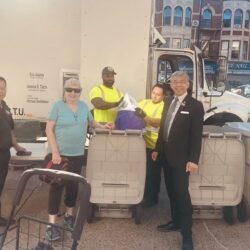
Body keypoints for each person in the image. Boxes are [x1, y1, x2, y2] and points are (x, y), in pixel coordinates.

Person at [45, 78, 111, 241]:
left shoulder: (83, 107)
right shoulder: (57, 106)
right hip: (60, 156)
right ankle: (51, 226)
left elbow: (92, 122)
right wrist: (55, 152)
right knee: (56, 188)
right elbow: (49, 129)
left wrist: (104, 126)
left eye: (76, 90)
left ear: (80, 92)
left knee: (73, 187)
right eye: (69, 90)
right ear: (64, 91)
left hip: (78, 154)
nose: (73, 93)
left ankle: (69, 217)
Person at [152, 71, 204, 250]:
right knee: (171, 192)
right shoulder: (168, 101)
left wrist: (193, 160)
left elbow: (197, 136)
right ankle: (176, 222)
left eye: (182, 82)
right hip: (166, 155)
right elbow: (163, 128)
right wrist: (157, 149)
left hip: (183, 160)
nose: (178, 85)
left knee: (182, 195)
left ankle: (187, 235)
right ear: (171, 84)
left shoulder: (195, 106)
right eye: (174, 82)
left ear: (187, 84)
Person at [0, 76, 26, 226]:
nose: (1, 91)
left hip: (4, 153)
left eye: (3, 88)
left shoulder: (6, 108)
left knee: (0, 185)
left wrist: (16, 146)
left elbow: (10, 130)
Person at [134, 83, 165, 208]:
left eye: (158, 94)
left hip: (155, 145)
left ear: (163, 96)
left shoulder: (164, 106)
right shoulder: (144, 103)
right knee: (142, 172)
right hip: (141, 143)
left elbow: (158, 123)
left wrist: (144, 116)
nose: (155, 96)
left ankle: (152, 198)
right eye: (153, 93)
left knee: (153, 173)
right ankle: (143, 195)